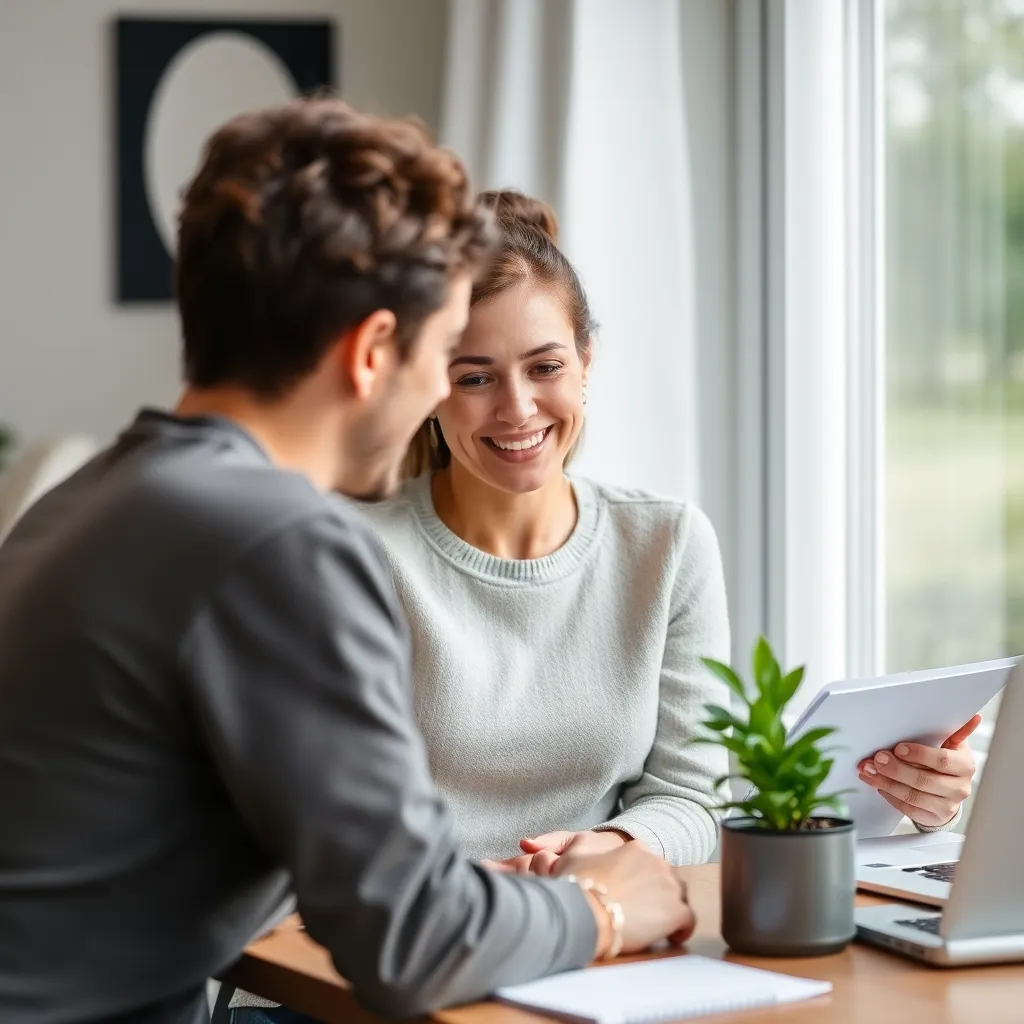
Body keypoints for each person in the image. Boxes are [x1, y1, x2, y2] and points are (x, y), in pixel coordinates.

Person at [0, 99, 697, 1024]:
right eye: (450, 354)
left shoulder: (93, 501)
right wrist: (606, 906)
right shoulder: (275, 545)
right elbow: (413, 939)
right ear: (375, 352)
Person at [357, 190, 978, 878]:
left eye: (546, 367)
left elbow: (690, 798)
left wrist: (614, 849)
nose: (518, 408)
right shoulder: (352, 553)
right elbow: (325, 822)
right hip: (411, 941)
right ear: (425, 387)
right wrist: (497, 887)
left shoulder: (667, 543)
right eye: (474, 377)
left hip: (603, 932)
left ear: (586, 362)